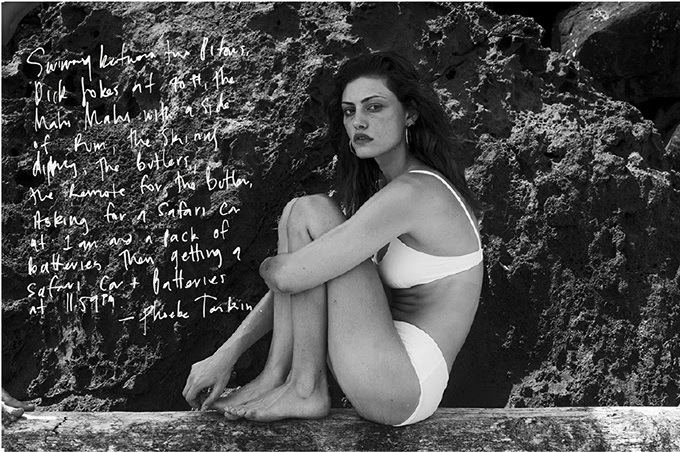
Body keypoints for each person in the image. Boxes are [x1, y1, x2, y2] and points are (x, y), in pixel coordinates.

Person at [182, 51, 484, 426]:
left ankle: (304, 385)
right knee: (302, 215)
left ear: (409, 114)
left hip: (404, 383)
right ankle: (278, 377)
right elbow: (312, 274)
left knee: (309, 212)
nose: (359, 122)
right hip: (385, 368)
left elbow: (290, 277)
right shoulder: (392, 190)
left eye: (374, 107)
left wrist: (272, 264)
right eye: (348, 111)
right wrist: (226, 354)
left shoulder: (415, 193)